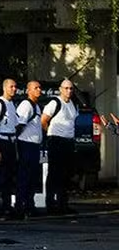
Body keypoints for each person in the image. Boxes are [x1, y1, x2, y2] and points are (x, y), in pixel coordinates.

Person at [42, 79, 78, 213]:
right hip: (56, 140)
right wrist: (51, 134)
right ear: (61, 89)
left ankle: (63, 204)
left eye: (71, 89)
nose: (69, 91)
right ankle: (51, 205)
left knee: (66, 174)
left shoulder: (72, 104)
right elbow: (44, 120)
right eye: (66, 88)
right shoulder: (54, 103)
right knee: (54, 173)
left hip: (68, 141)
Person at [0, 79, 18, 218]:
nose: (14, 89)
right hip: (2, 141)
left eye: (15, 87)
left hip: (11, 141)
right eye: (11, 86)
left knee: (8, 177)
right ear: (5, 88)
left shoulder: (12, 104)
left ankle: (7, 206)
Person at [14, 81, 43, 217]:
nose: (39, 90)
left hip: (34, 145)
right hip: (26, 144)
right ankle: (21, 206)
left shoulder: (36, 106)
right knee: (24, 177)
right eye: (35, 88)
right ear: (28, 90)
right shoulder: (26, 105)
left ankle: (30, 204)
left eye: (39, 88)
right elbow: (19, 125)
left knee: (32, 177)